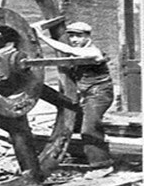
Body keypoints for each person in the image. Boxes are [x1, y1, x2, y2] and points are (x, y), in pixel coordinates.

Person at [33, 21, 114, 170]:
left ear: (88, 37)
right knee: (73, 126)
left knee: (89, 129)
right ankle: (77, 154)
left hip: (99, 94)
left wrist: (41, 37)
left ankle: (102, 165)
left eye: (79, 36)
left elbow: (69, 50)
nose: (75, 40)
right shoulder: (79, 50)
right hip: (86, 94)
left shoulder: (93, 51)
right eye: (72, 36)